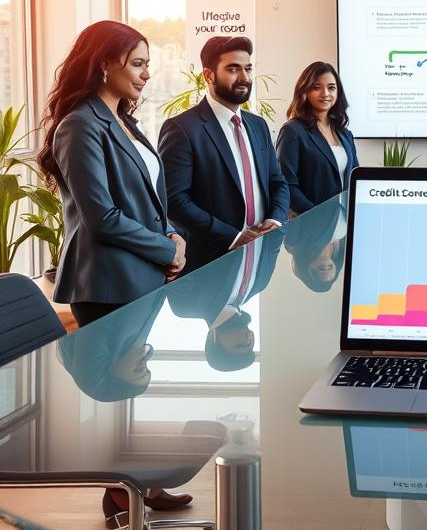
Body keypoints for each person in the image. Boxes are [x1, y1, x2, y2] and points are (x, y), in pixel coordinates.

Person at [36, 21, 186, 327]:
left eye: (147, 65)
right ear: (104, 63)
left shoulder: (125, 122)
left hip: (143, 275)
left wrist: (173, 233)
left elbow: (146, 197)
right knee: (117, 376)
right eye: (137, 64)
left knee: (136, 375)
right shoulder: (79, 125)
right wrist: (167, 249)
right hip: (107, 284)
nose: (146, 74)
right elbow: (101, 217)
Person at [57, 289, 198, 523]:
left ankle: (134, 488)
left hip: (121, 277)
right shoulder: (122, 339)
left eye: (139, 370)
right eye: (145, 369)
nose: (145, 361)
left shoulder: (104, 336)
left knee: (159, 420)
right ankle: (134, 489)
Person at [159, 36, 289, 273]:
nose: (245, 78)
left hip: (259, 260)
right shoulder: (182, 128)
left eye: (248, 68)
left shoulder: (258, 125)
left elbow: (277, 182)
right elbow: (175, 201)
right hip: (207, 266)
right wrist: (234, 237)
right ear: (208, 76)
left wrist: (276, 220)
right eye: (233, 69)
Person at [167, 228, 284, 372]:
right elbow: (275, 239)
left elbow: (181, 249)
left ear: (214, 341)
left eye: (239, 345)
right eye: (250, 345)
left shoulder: (186, 306)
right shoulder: (260, 284)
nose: (248, 341)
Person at [277, 61, 358, 215]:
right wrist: (318, 214)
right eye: (316, 87)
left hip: (343, 221)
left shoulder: (345, 134)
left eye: (331, 88)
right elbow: (287, 185)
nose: (326, 93)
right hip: (310, 225)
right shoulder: (292, 131)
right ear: (304, 91)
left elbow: (355, 178)